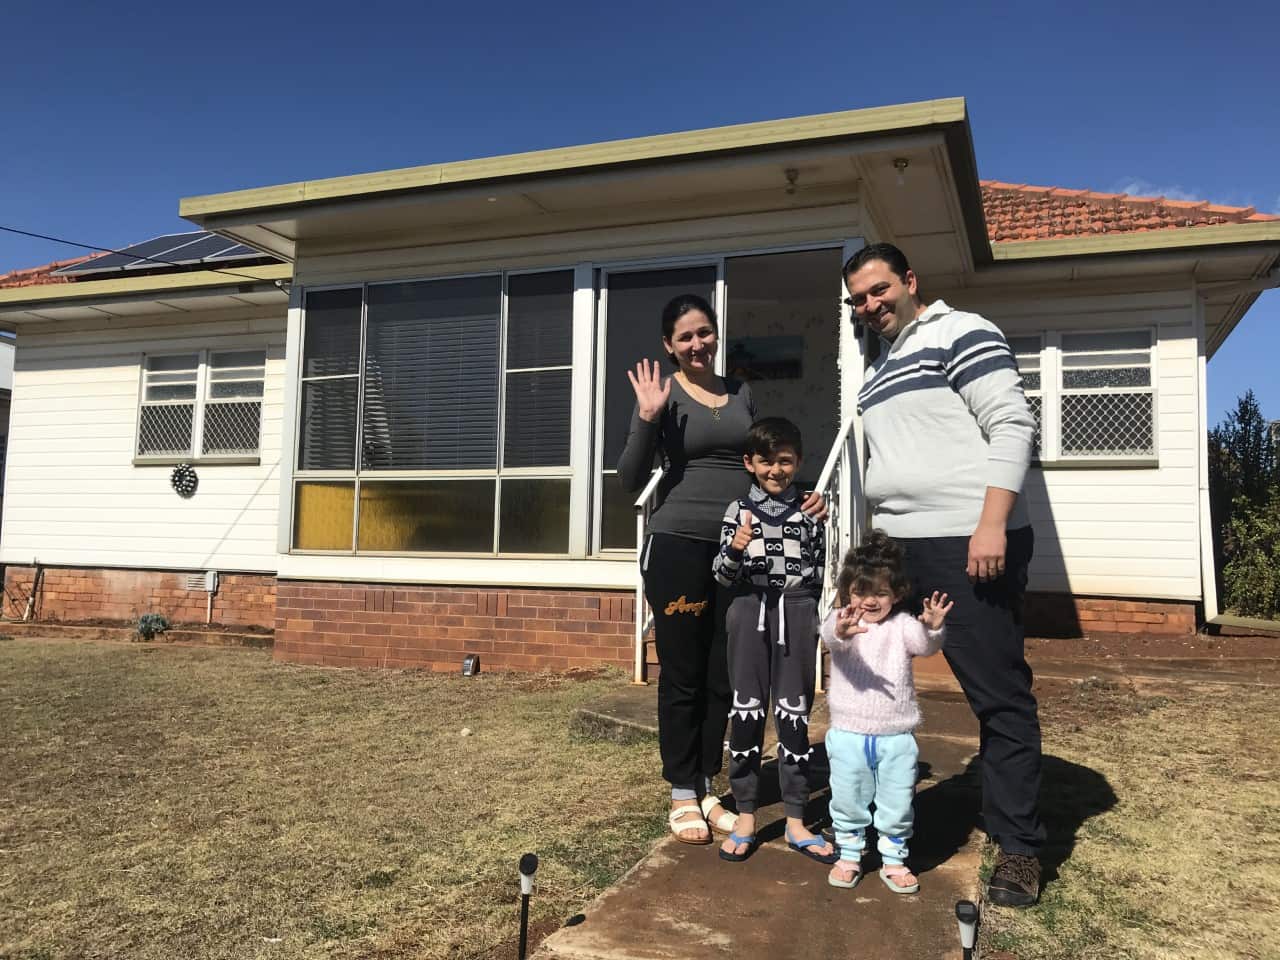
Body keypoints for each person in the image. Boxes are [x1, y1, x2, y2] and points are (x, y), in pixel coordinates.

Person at [843, 242, 1045, 906]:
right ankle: (875, 826)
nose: (871, 306)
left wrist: (991, 523)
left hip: (967, 541)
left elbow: (1012, 422)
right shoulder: (881, 366)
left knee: (997, 692)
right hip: (899, 547)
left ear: (909, 280)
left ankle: (1018, 847)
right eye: (859, 300)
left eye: (878, 290)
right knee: (876, 679)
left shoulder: (961, 331)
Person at [618, 294, 825, 847]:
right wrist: (646, 417)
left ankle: (706, 786)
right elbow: (629, 478)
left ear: (716, 335)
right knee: (682, 671)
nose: (697, 344)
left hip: (742, 549)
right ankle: (681, 792)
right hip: (680, 543)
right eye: (684, 337)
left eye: (704, 333)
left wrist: (802, 500)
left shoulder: (742, 393)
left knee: (723, 673)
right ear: (669, 345)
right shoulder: (664, 396)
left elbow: (764, 463)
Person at [710, 417, 835, 864]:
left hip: (797, 613)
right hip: (748, 611)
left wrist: (810, 617)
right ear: (750, 463)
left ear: (798, 461)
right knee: (745, 711)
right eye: (766, 461)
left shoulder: (813, 510)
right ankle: (746, 813)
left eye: (785, 461)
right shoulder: (736, 511)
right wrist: (737, 547)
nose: (776, 470)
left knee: (794, 711)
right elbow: (722, 577)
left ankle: (797, 818)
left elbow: (820, 572)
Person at [821, 530, 951, 892]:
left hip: (896, 737)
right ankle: (849, 854)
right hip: (849, 734)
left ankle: (894, 858)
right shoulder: (842, 620)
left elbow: (925, 646)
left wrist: (933, 626)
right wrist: (843, 630)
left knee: (897, 801)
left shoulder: (902, 626)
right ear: (848, 592)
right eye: (861, 592)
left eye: (880, 593)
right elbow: (831, 635)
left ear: (896, 594)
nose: (870, 601)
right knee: (848, 797)